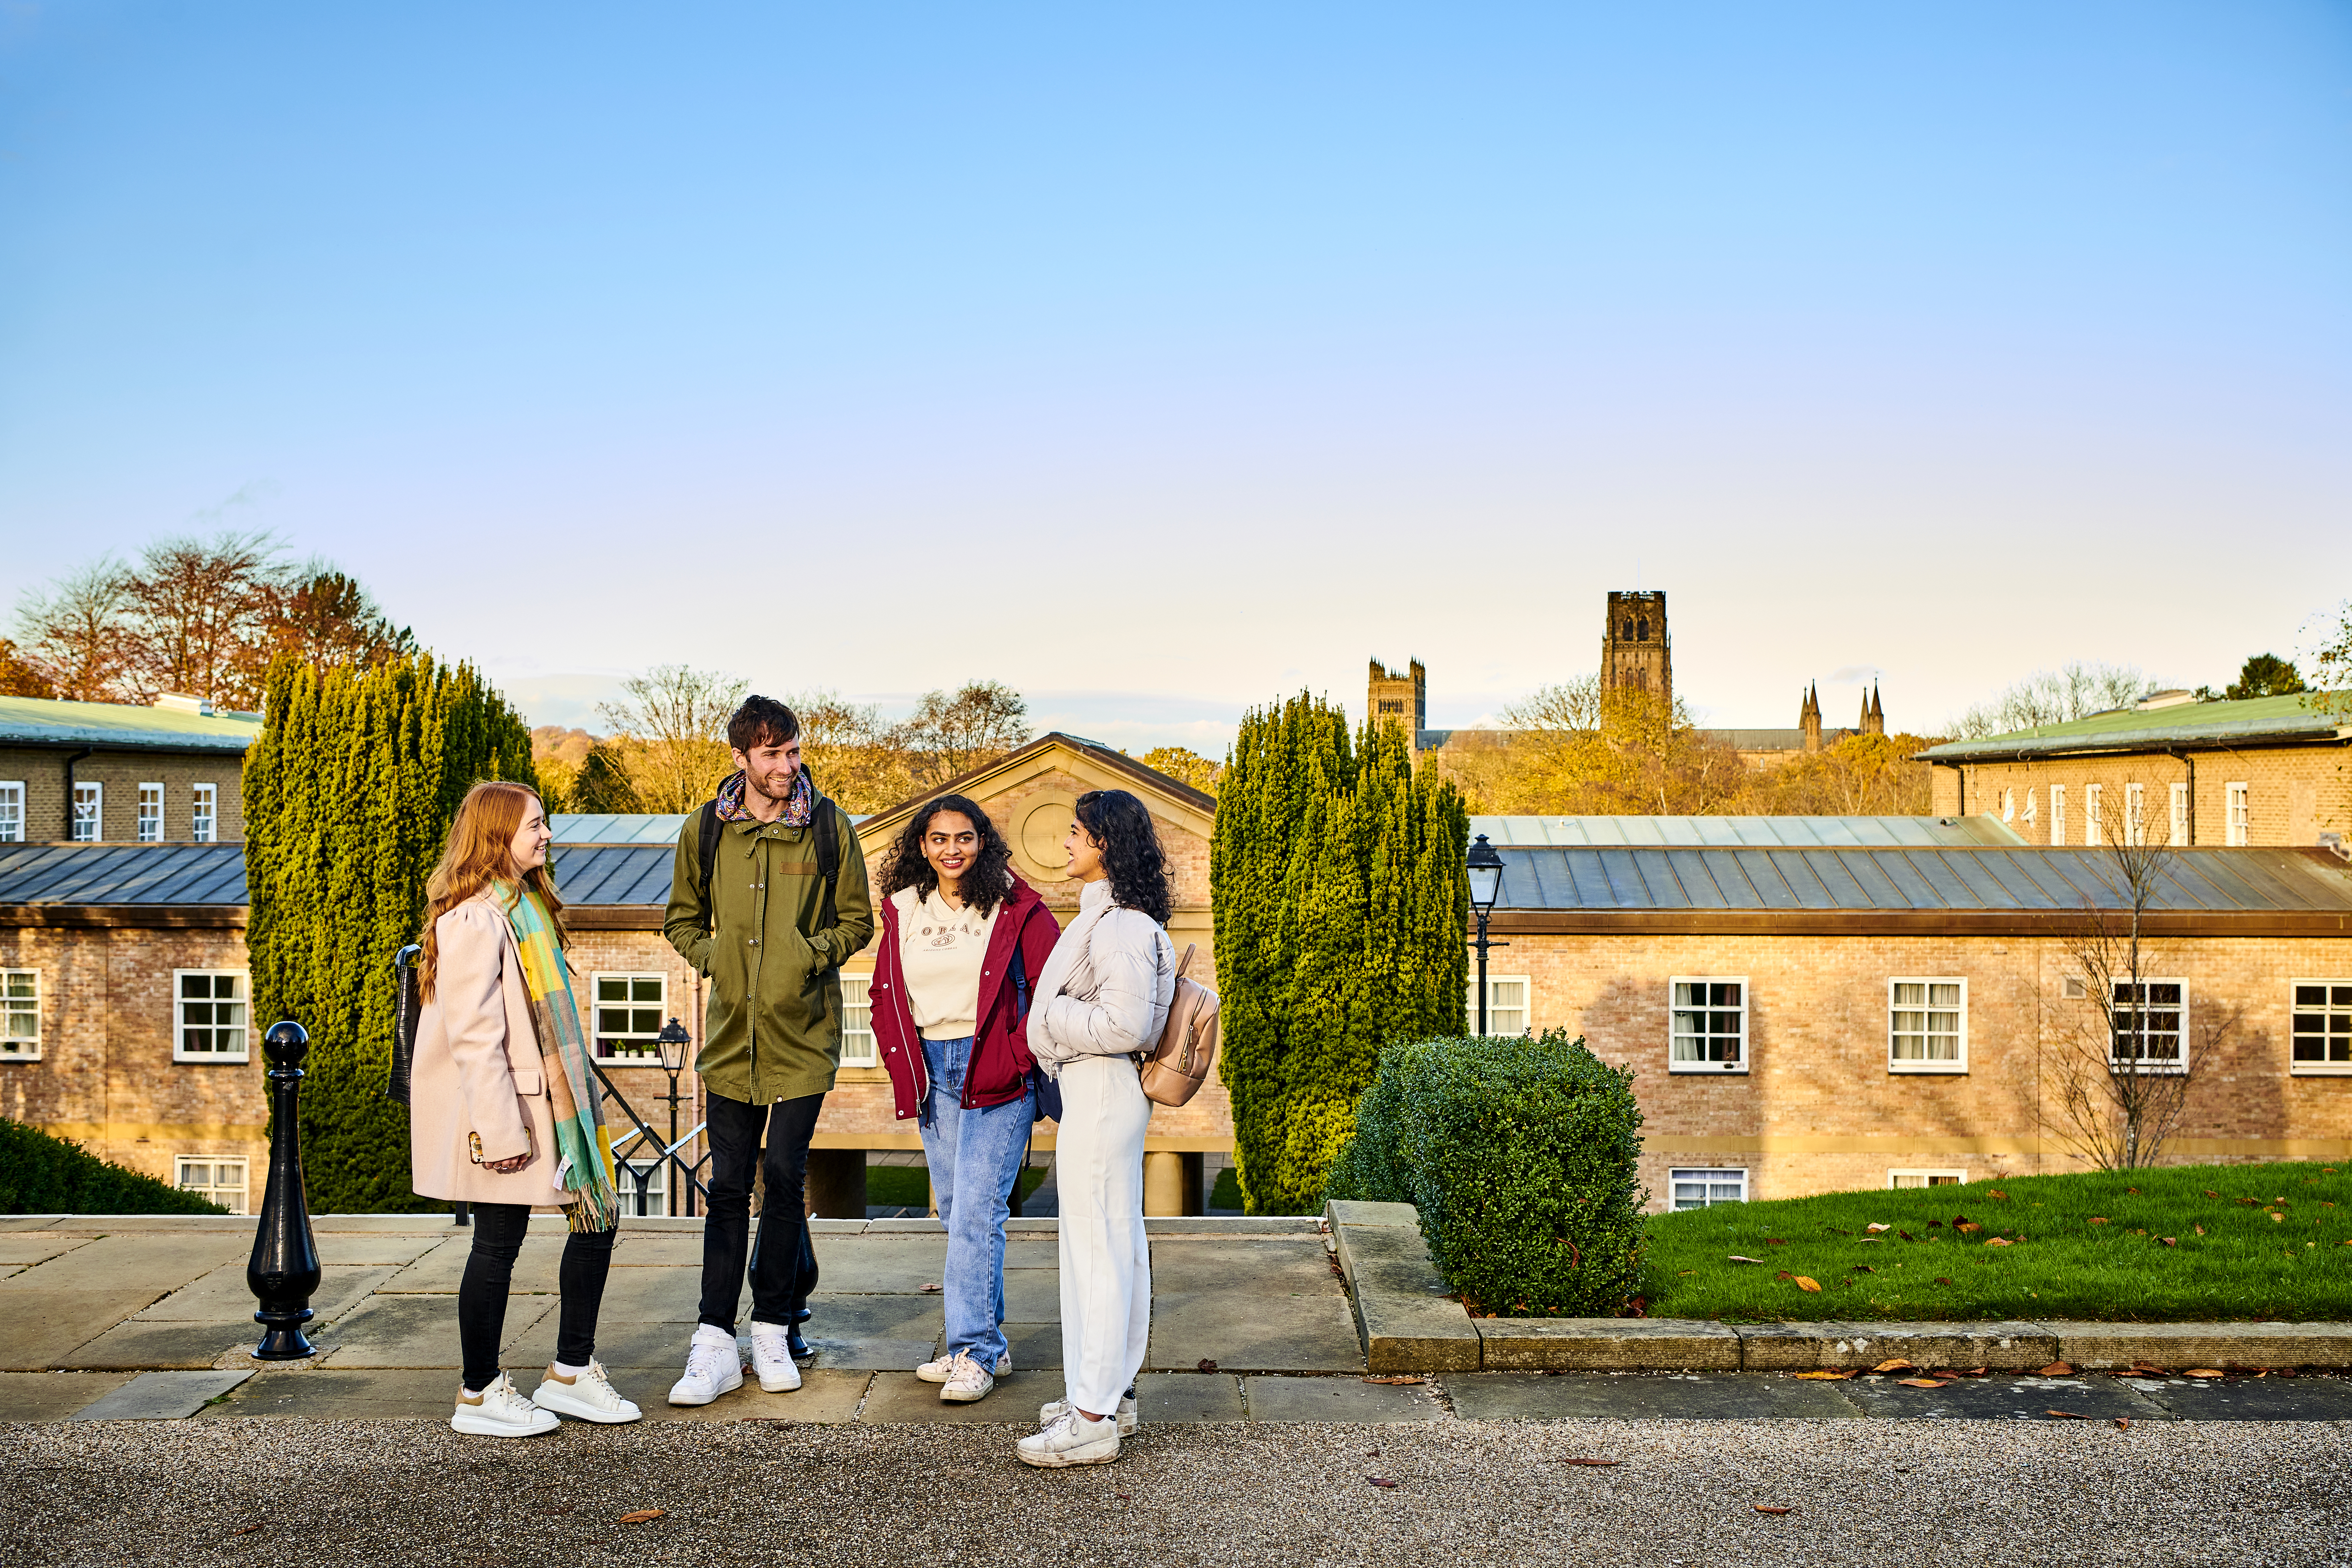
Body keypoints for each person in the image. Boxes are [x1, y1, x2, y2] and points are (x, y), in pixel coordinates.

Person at [411, 780, 641, 1438]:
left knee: (596, 1221)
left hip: (549, 1105)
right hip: (510, 1112)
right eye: (534, 826)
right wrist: (501, 1128)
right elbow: (474, 1035)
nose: (546, 835)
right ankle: (479, 1392)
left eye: (545, 823)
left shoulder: (526, 907)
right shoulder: (476, 919)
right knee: (498, 1243)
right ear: (495, 835)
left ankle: (570, 1373)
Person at [662, 695, 873, 1405]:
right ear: (741, 759)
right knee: (726, 1189)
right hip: (730, 1040)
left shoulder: (827, 828)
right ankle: (713, 1341)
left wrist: (808, 957)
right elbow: (680, 920)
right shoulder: (705, 832)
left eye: (793, 751)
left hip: (803, 1036)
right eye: (773, 754)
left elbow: (858, 921)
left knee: (783, 1178)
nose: (787, 765)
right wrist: (718, 957)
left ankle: (774, 1330)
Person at [869, 795, 1061, 1404]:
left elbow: (1054, 987)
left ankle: (971, 1349)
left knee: (977, 1211)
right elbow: (885, 990)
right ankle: (991, 1348)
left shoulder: (1015, 904)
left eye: (964, 838)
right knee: (959, 1210)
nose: (952, 849)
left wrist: (1020, 1054)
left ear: (983, 842)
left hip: (996, 1072)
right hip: (934, 1069)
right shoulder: (905, 908)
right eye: (938, 839)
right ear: (921, 847)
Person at [1017, 788, 1176, 1468]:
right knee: (1106, 1247)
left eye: (1078, 832)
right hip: (1095, 1092)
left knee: (1099, 1253)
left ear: (1107, 842)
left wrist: (1049, 1020)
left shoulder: (1120, 927)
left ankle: (1093, 1417)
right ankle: (1107, 1397)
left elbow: (1126, 1026)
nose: (1067, 843)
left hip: (1103, 1088)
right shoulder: (1109, 919)